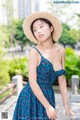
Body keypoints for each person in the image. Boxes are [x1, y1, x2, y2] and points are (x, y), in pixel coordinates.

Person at [13, 12, 74, 120]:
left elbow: (62, 79)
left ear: (51, 28)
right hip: (31, 98)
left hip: (49, 96)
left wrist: (66, 104)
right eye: (35, 30)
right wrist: (47, 107)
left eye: (41, 26)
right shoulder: (34, 52)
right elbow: (32, 82)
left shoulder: (61, 51)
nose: (38, 31)